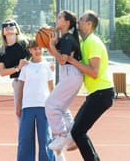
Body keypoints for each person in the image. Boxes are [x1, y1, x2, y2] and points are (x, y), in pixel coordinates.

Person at [65, 10, 114, 161]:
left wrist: (72, 61)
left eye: (81, 19)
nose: (78, 22)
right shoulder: (85, 42)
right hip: (96, 94)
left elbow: (94, 72)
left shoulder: (92, 42)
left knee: (78, 131)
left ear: (89, 24)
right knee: (77, 130)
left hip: (102, 93)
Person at [45, 10, 83, 154]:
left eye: (60, 17)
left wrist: (53, 46)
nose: (57, 18)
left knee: (50, 105)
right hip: (71, 75)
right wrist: (51, 43)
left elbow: (62, 60)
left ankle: (61, 135)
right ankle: (73, 136)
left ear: (67, 23)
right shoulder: (65, 38)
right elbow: (55, 54)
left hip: (70, 73)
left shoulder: (68, 39)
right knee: (61, 108)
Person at [16, 40, 56, 161]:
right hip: (27, 106)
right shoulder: (26, 67)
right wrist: (19, 104)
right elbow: (21, 87)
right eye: (34, 49)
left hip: (44, 106)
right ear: (30, 50)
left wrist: (54, 106)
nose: (37, 51)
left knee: (46, 138)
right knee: (25, 138)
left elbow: (51, 87)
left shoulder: (49, 66)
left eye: (39, 48)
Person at [0, 19, 30, 114]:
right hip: (18, 81)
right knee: (19, 112)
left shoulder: (26, 44)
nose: (8, 26)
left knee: (38, 109)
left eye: (11, 24)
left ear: (17, 29)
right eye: (5, 25)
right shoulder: (0, 51)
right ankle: (22, 129)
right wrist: (17, 68)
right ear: (2, 32)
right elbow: (2, 72)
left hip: (32, 80)